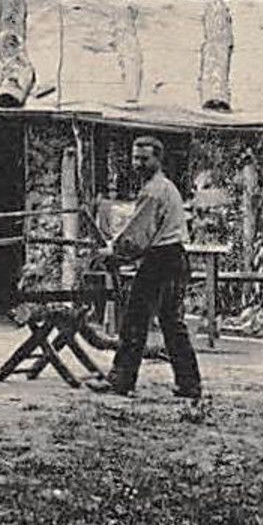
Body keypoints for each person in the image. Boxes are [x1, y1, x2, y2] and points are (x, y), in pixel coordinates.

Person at [88, 136, 202, 399]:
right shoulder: (166, 186)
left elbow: (138, 234)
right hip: (173, 259)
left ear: (157, 160)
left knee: (135, 322)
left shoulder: (153, 191)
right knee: (173, 324)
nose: (137, 163)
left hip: (162, 260)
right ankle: (190, 384)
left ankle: (120, 381)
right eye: (134, 158)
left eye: (144, 158)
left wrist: (113, 251)